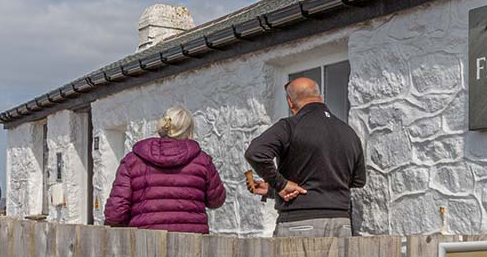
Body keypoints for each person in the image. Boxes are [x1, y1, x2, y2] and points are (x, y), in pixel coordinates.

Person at [244, 77, 366, 237]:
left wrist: (280, 184)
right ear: (320, 97)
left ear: (290, 102)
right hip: (341, 223)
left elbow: (256, 153)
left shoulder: (289, 126)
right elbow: (358, 181)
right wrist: (274, 189)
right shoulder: (348, 133)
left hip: (299, 222)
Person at [104, 106, 227, 233]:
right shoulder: (202, 161)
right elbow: (216, 200)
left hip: (146, 241)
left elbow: (115, 212)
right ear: (189, 131)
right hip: (192, 241)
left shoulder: (133, 160)